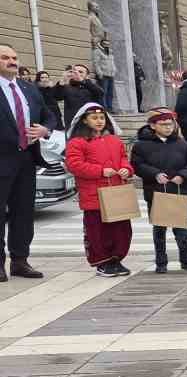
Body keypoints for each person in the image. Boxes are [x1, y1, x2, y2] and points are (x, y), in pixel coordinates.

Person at [62, 103, 132, 276]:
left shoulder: (114, 140)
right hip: (94, 195)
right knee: (98, 231)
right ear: (85, 121)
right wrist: (100, 171)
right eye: (94, 118)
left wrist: (126, 169)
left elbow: (123, 158)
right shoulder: (77, 142)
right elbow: (74, 165)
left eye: (102, 118)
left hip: (116, 191)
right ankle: (102, 262)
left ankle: (117, 259)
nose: (99, 121)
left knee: (121, 229)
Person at [0, 44, 51, 281]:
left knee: (23, 213)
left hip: (26, 160)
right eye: (5, 57)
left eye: (14, 57)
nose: (12, 61)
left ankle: (20, 261)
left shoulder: (28, 88)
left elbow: (49, 115)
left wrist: (45, 129)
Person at [130, 107, 187, 273]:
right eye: (163, 124)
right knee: (159, 230)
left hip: (179, 191)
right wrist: (154, 174)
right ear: (153, 125)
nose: (168, 127)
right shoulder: (141, 145)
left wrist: (183, 175)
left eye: (170, 124)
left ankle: (186, 259)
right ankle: (161, 261)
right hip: (156, 192)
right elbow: (137, 165)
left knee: (182, 230)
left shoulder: (183, 144)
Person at [92, 36, 116, 111]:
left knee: (110, 93)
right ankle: (103, 108)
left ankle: (109, 108)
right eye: (105, 44)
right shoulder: (97, 51)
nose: (107, 45)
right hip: (103, 75)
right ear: (101, 44)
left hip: (111, 75)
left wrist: (114, 70)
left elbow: (112, 62)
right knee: (103, 92)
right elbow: (96, 63)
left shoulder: (110, 52)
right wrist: (99, 73)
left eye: (108, 44)